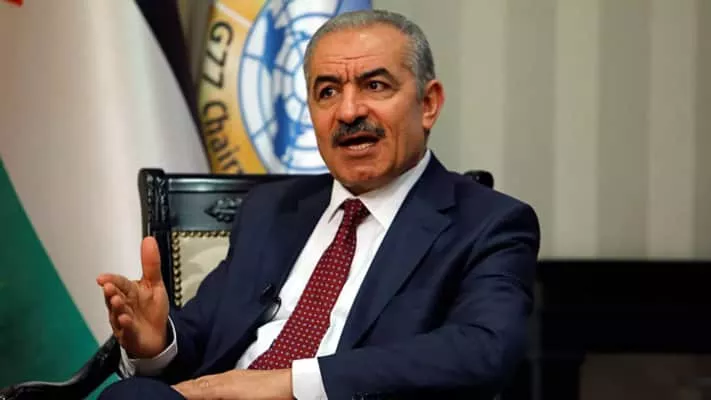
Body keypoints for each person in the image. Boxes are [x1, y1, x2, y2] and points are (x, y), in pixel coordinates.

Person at [97, 9, 540, 400]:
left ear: (428, 104)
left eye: (375, 85)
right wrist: (157, 342)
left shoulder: (488, 223)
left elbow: (484, 350)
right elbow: (205, 333)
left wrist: (292, 383)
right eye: (327, 92)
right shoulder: (271, 210)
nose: (348, 112)